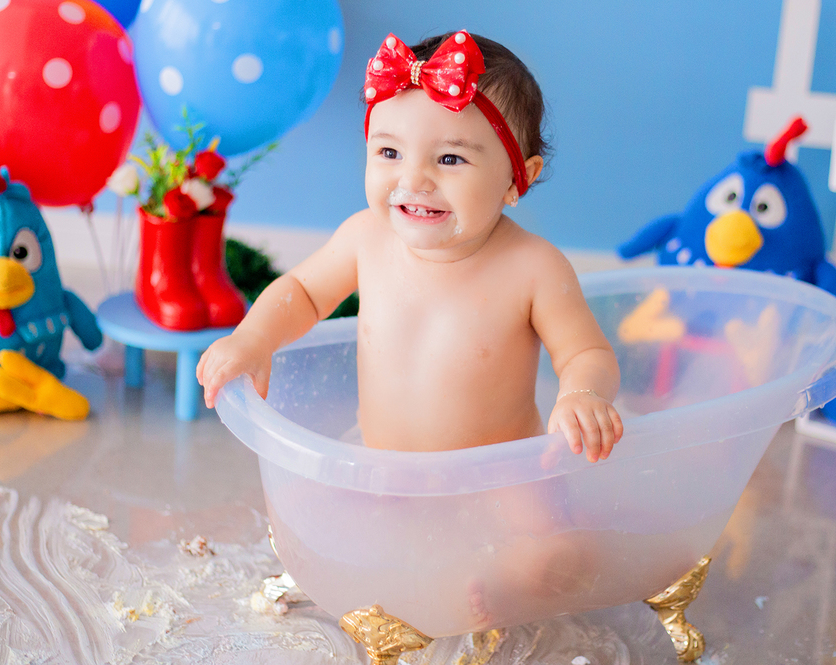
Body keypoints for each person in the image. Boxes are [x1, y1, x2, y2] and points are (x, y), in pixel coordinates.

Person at [197, 29, 622, 462]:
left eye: (450, 159)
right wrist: (253, 340)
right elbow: (302, 293)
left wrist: (582, 395)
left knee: (540, 530)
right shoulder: (365, 237)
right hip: (382, 462)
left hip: (498, 474)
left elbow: (586, 352)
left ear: (518, 179)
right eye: (389, 153)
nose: (413, 180)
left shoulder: (534, 268)